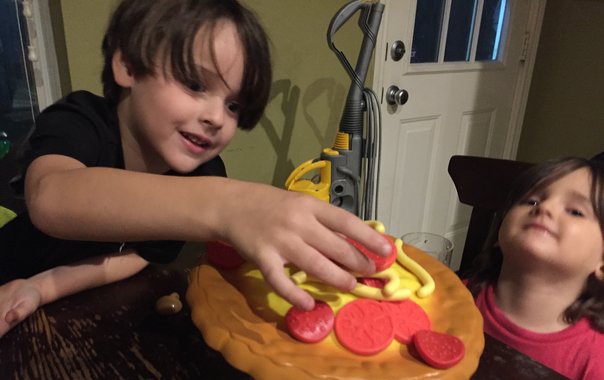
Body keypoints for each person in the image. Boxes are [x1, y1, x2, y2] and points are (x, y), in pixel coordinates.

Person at [0, 0, 392, 338]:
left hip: (52, 308)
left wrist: (41, 288)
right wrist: (224, 204)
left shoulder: (203, 175)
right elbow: (51, 198)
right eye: (194, 84)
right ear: (128, 66)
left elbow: (137, 255)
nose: (217, 117)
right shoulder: (81, 119)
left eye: (233, 105)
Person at [465, 157, 604, 380]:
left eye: (575, 211)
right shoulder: (450, 298)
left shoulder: (597, 362)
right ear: (499, 232)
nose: (545, 208)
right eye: (532, 201)